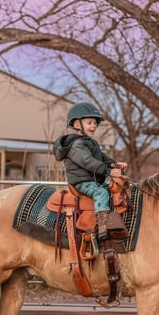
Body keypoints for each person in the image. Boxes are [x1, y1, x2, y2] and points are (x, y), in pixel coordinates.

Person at [52, 102, 129, 242]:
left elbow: (101, 157)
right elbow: (88, 162)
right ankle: (103, 226)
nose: (93, 126)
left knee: (118, 188)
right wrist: (109, 171)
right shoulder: (76, 145)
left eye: (95, 123)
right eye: (89, 123)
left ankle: (119, 218)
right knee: (101, 193)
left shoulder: (91, 142)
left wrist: (114, 164)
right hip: (82, 182)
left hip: (92, 180)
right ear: (77, 124)